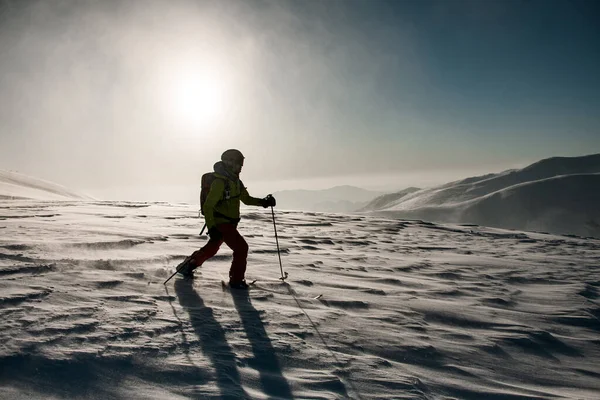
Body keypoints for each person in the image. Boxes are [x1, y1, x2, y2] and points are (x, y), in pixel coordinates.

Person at [177, 149, 276, 289]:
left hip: (229, 223)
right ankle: (236, 281)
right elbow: (208, 206)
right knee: (241, 248)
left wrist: (264, 202)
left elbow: (246, 200)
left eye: (241, 164)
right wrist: (212, 227)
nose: (241, 167)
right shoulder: (220, 183)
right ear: (229, 163)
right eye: (239, 164)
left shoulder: (236, 182)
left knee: (212, 249)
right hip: (222, 223)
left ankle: (188, 266)